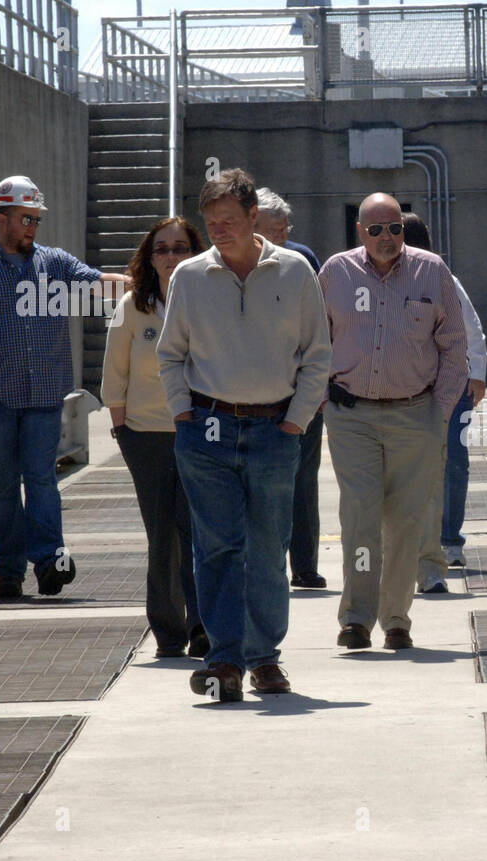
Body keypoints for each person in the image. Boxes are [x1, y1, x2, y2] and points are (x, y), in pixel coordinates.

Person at [158, 168, 331, 702]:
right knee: (216, 549)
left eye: (229, 222)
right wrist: (184, 417)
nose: (219, 232)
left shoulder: (296, 272)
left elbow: (318, 357)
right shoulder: (189, 276)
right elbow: (170, 355)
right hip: (205, 432)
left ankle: (265, 659)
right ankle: (225, 660)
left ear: (255, 217)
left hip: (274, 431)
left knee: (267, 549)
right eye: (211, 224)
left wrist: (294, 423)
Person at [0, 175, 127, 600]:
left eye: (36, 220)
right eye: (26, 219)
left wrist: (146, 281)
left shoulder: (54, 263)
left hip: (44, 396)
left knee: (41, 480)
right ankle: (9, 570)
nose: (32, 227)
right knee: (4, 486)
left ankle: (48, 562)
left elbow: (97, 283)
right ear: (1, 217)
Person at [319, 193, 467, 650]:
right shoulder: (336, 273)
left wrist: (438, 414)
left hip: (415, 412)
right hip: (352, 415)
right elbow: (310, 339)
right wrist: (325, 394)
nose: (388, 238)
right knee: (360, 515)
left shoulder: (431, 270)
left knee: (405, 521)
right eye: (377, 229)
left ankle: (397, 619)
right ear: (360, 232)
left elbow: (454, 345)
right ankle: (357, 618)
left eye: (395, 228)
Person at [102, 217, 207, 659]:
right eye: (161, 249)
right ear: (150, 258)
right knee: (161, 534)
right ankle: (168, 630)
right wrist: (122, 431)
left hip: (199, 431)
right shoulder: (131, 307)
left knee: (198, 531)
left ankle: (204, 625)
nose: (170, 257)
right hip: (146, 437)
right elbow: (115, 374)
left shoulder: (208, 302)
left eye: (179, 248)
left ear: (194, 254)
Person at [400, 212, 487, 593]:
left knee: (454, 462)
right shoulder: (378, 283)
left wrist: (478, 374)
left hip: (452, 389)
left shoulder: (444, 280)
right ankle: (412, 544)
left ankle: (449, 541)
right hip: (404, 391)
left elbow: (471, 329)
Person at [255, 187, 327, 590]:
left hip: (299, 389)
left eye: (285, 230)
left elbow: (318, 329)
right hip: (250, 394)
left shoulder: (302, 261)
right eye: (274, 230)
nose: (281, 237)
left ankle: (304, 564)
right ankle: (266, 564)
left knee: (303, 481)